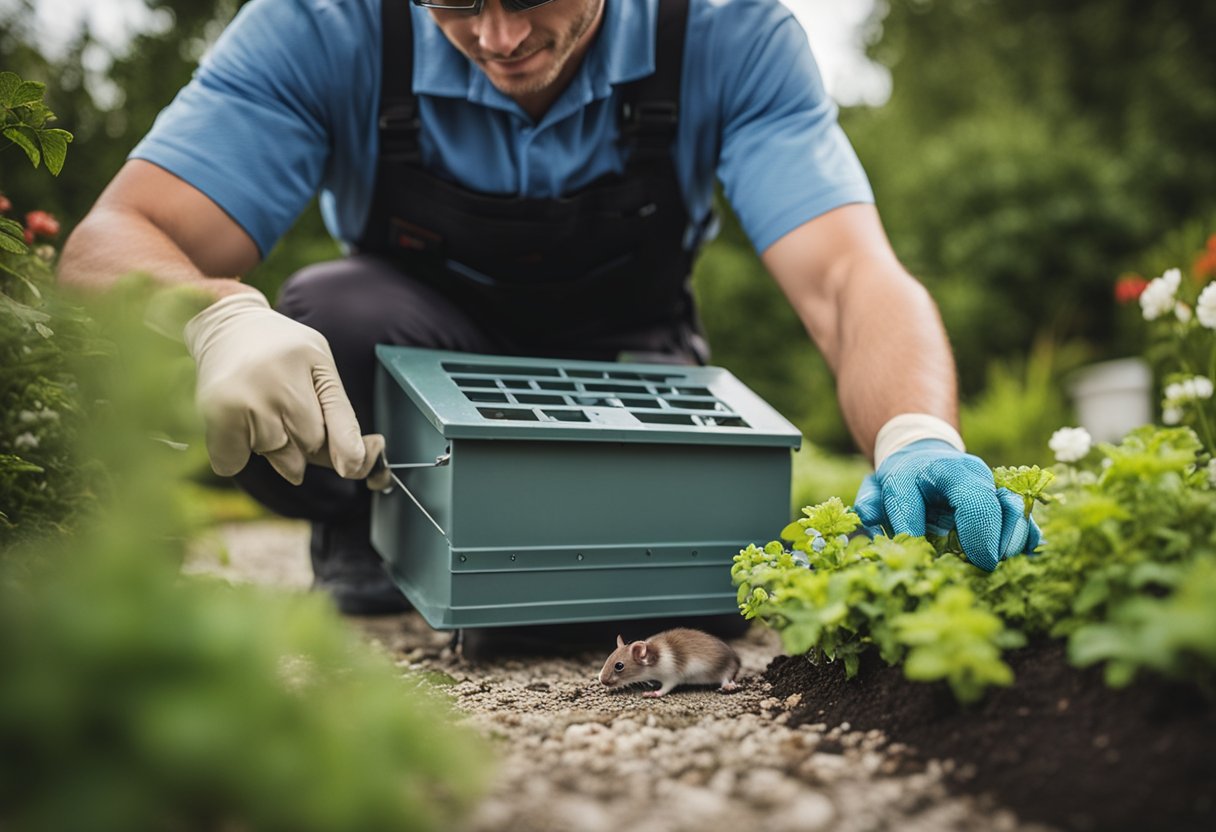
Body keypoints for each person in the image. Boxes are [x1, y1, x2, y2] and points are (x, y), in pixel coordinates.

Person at [58, 0, 1040, 618]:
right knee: (331, 313)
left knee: (697, 520)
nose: (498, 37)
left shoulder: (730, 33)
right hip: (403, 361)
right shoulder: (323, 26)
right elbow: (109, 241)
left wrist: (914, 431)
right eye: (457, 4)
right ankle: (372, 539)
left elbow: (847, 275)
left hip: (625, 372)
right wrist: (213, 312)